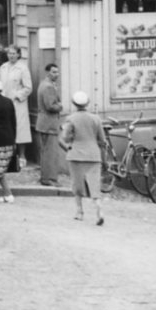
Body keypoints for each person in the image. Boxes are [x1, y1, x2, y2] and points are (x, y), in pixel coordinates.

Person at [59, 91, 106, 225]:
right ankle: (98, 208)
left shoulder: (71, 119)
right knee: (94, 184)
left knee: (77, 184)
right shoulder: (96, 119)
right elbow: (102, 140)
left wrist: (68, 146)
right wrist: (103, 157)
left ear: (74, 104)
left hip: (76, 154)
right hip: (93, 154)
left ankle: (79, 212)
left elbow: (65, 137)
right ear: (87, 103)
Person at [0, 45, 32, 168]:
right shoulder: (3, 67)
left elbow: (28, 87)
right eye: (9, 53)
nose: (11, 56)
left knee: (20, 127)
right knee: (6, 128)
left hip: (18, 103)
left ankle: (22, 155)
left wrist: (17, 96)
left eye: (13, 53)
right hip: (4, 102)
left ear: (18, 55)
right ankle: (8, 155)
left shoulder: (22, 68)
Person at [35, 64, 66, 186]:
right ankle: (50, 179)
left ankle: (45, 177)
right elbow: (50, 106)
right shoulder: (48, 87)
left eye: (57, 72)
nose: (56, 74)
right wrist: (60, 106)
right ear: (48, 72)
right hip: (49, 124)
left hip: (44, 123)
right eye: (54, 72)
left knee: (45, 152)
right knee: (50, 153)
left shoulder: (44, 84)